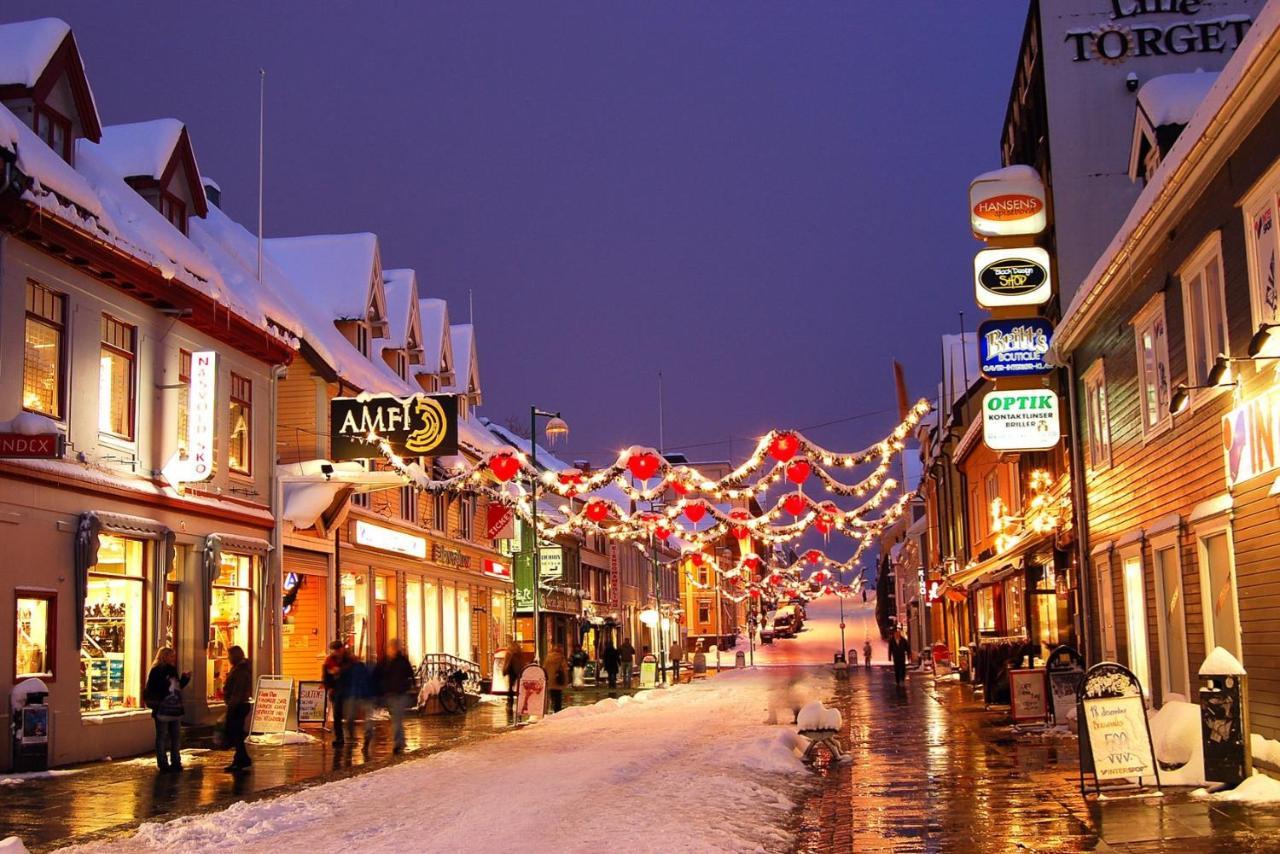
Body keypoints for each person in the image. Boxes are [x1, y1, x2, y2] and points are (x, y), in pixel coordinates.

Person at [144, 647, 190, 773]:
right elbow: (155, 689)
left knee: (171, 736)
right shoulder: (158, 671)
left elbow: (176, 687)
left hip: (171, 707)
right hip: (164, 708)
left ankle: (172, 762)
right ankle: (167, 763)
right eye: (171, 656)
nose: (173, 658)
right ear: (164, 656)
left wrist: (184, 679)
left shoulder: (169, 669)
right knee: (165, 736)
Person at [374, 639, 415, 754]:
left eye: (394, 647)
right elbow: (377, 674)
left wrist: (408, 685)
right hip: (390, 694)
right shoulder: (385, 661)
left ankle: (399, 742)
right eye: (391, 647)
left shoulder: (402, 661)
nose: (392, 649)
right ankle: (401, 741)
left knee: (397, 719)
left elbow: (410, 673)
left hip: (400, 694)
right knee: (396, 719)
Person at [222, 645, 253, 772]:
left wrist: (231, 706)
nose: (228, 658)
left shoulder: (240, 671)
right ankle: (241, 759)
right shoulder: (241, 668)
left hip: (238, 705)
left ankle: (242, 759)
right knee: (237, 734)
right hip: (240, 704)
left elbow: (238, 691)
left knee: (236, 734)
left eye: (229, 655)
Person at [345, 653, 377, 753]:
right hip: (361, 695)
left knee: (353, 718)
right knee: (364, 719)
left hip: (359, 695)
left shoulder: (353, 669)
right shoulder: (362, 668)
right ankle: (363, 737)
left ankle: (356, 737)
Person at [323, 641, 352, 745]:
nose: (336, 652)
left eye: (338, 650)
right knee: (337, 716)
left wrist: (338, 671)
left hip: (348, 690)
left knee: (349, 715)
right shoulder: (329, 661)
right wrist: (329, 687)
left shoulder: (348, 659)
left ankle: (350, 736)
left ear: (342, 649)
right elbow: (326, 676)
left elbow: (351, 672)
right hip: (336, 691)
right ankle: (339, 738)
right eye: (334, 650)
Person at [543, 644, 569, 713]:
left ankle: (552, 706)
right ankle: (557, 710)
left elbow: (544, 668)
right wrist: (566, 681)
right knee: (558, 697)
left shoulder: (548, 657)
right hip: (558, 680)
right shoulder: (561, 658)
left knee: (552, 694)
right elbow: (564, 670)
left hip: (550, 680)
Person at [502, 638, 525, 708]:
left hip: (511, 670)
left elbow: (507, 661)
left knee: (510, 687)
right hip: (518, 670)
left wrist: (504, 669)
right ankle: (520, 700)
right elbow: (522, 660)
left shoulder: (509, 651)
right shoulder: (519, 651)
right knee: (519, 685)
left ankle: (510, 702)